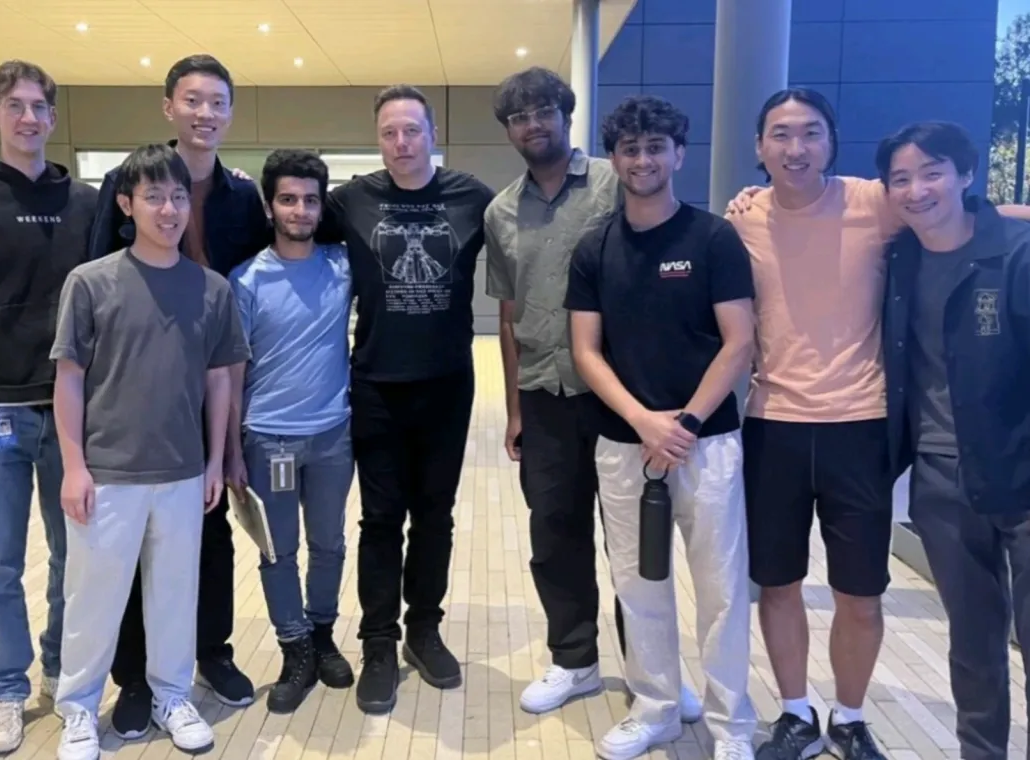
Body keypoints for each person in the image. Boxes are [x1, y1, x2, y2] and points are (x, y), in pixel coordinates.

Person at [723, 88, 1030, 760]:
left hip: (861, 427)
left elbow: (963, 212)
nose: (796, 148)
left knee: (860, 593)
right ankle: (795, 714)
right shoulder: (741, 220)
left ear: (832, 141)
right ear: (760, 146)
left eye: (811, 132)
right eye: (781, 134)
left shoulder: (875, 202)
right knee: (778, 585)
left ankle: (851, 717)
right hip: (772, 423)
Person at [482, 66, 701, 721]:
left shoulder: (616, 180)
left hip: (620, 394)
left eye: (543, 111)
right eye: (519, 117)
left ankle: (653, 672)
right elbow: (509, 314)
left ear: (566, 114)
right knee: (555, 534)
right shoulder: (501, 211)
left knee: (634, 542)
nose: (532, 124)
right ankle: (574, 660)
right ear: (509, 130)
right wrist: (515, 408)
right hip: (544, 395)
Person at [565, 94, 757, 760]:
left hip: (708, 443)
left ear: (678, 154)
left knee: (722, 590)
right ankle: (656, 708)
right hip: (626, 445)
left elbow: (739, 341)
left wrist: (687, 422)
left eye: (655, 148)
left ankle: (733, 726)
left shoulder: (713, 238)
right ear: (614, 159)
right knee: (638, 584)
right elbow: (586, 351)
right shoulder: (594, 247)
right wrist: (644, 421)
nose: (642, 160)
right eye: (630, 149)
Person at [88, 54, 270, 735]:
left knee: (211, 525)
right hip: (139, 390)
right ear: (169, 107)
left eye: (217, 102)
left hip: (215, 381)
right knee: (134, 540)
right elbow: (96, 277)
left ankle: (210, 653)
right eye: (192, 100)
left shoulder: (241, 196)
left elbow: (255, 281)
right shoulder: (128, 180)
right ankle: (134, 677)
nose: (205, 113)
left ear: (231, 113)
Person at [51, 143, 249, 760]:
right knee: (94, 598)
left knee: (174, 595)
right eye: (154, 197)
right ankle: (78, 708)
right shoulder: (90, 282)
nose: (169, 209)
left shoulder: (212, 289)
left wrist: (214, 462)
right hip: (107, 472)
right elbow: (69, 378)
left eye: (179, 197)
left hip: (184, 472)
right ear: (126, 204)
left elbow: (220, 381)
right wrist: (74, 466)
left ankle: (172, 695)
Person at [315, 84, 495, 714]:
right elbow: (287, 222)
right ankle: (378, 643)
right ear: (378, 139)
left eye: (412, 130)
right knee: (381, 519)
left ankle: (423, 629)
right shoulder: (350, 201)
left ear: (432, 134)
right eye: (389, 132)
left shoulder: (473, 198)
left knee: (436, 516)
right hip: (376, 385)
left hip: (447, 384)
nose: (401, 143)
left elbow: (535, 233)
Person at [0, 59, 98, 755]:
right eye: (15, 106)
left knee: (76, 559)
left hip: (76, 414)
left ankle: (64, 672)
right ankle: (5, 690)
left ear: (54, 116)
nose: (29, 118)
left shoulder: (86, 204)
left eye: (40, 106)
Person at [876, 121, 1030, 760]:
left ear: (966, 174)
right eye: (901, 178)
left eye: (932, 172)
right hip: (939, 479)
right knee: (972, 642)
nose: (916, 190)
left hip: (1021, 472)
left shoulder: (1017, 254)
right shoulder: (899, 260)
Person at [225, 148, 355, 714]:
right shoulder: (246, 279)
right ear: (269, 206)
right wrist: (231, 450)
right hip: (268, 438)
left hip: (333, 436)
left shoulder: (343, 266)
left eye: (309, 200)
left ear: (322, 206)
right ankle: (294, 646)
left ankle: (322, 634)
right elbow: (233, 370)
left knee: (329, 544)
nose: (300, 210)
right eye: (287, 199)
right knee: (278, 551)